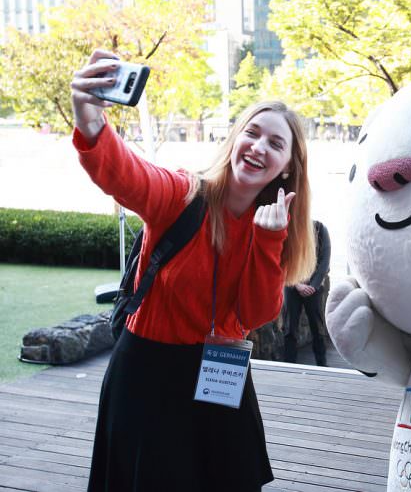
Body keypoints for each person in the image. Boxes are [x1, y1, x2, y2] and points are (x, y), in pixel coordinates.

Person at [70, 49, 316, 491]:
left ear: (287, 169)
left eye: (275, 144)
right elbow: (129, 175)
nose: (259, 147)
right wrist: (90, 121)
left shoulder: (274, 229)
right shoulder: (183, 195)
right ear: (235, 138)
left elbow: (256, 313)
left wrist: (268, 240)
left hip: (219, 374)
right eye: (252, 133)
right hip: (147, 372)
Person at [282, 220, 331, 366]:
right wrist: (297, 284)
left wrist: (313, 285)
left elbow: (325, 261)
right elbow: (283, 258)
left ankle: (322, 365)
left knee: (317, 327)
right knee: (290, 328)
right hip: (292, 285)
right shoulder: (289, 229)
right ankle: (289, 365)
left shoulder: (320, 229)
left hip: (314, 288)